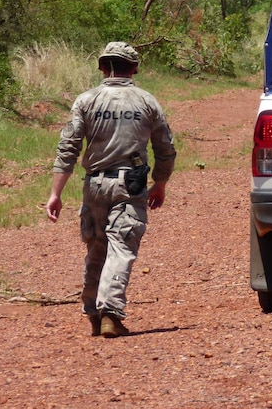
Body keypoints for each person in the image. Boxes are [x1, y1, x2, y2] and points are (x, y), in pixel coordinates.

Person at [46, 42, 176, 338]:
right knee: (122, 246)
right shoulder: (147, 102)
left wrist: (55, 194)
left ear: (103, 67)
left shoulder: (86, 100)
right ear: (134, 69)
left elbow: (68, 148)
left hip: (93, 184)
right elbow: (165, 149)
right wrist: (161, 183)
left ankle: (93, 313)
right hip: (130, 185)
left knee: (96, 247)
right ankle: (110, 313)